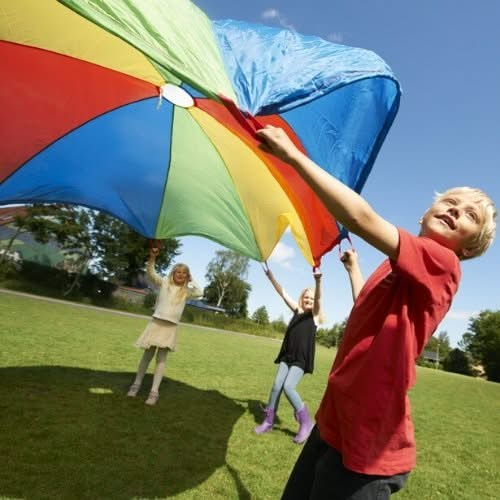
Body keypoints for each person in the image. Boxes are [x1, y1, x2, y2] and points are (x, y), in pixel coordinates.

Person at [256, 124, 497, 499]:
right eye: (450, 201)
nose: (455, 210)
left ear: (468, 248)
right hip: (337, 419)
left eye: (469, 216)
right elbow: (366, 314)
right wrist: (354, 271)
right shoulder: (396, 267)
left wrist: (293, 157)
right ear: (424, 213)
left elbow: (361, 219)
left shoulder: (444, 262)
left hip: (369, 445)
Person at [254, 263, 323, 444]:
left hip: (301, 359)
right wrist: (271, 278)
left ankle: (306, 422)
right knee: (277, 385)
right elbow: (282, 293)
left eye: (311, 298)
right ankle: (268, 421)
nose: (308, 300)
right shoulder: (297, 310)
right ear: (301, 299)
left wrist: (318, 281)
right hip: (287, 355)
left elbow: (318, 300)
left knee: (288, 387)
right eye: (306, 297)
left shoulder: (314, 315)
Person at [127, 248, 203, 405]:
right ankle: (136, 384)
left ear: (187, 276)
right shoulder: (164, 283)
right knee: (147, 355)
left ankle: (154, 392)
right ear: (173, 273)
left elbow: (200, 292)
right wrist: (152, 258)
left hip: (170, 327)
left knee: (161, 359)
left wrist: (192, 279)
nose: (181, 275)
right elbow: (151, 273)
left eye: (184, 273)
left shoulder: (186, 291)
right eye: (178, 272)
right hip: (157, 322)